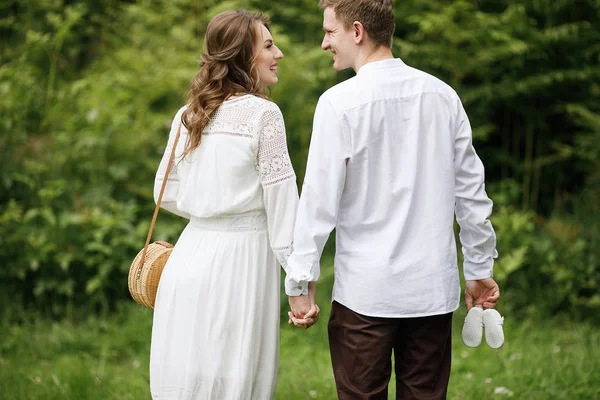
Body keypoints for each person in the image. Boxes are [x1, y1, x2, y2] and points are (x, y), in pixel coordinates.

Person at [285, 0, 500, 398]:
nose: (323, 42)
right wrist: (478, 266)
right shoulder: (443, 96)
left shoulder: (338, 104)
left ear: (358, 32)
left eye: (330, 31)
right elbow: (471, 193)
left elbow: (317, 203)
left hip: (365, 294)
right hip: (431, 291)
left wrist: (301, 281)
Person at [149, 9, 318, 400]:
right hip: (241, 264)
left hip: (189, 256)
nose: (279, 54)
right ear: (244, 55)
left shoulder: (188, 114)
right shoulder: (265, 115)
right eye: (270, 45)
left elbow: (164, 191)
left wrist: (209, 209)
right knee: (237, 380)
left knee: (189, 381)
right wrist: (299, 286)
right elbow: (282, 209)